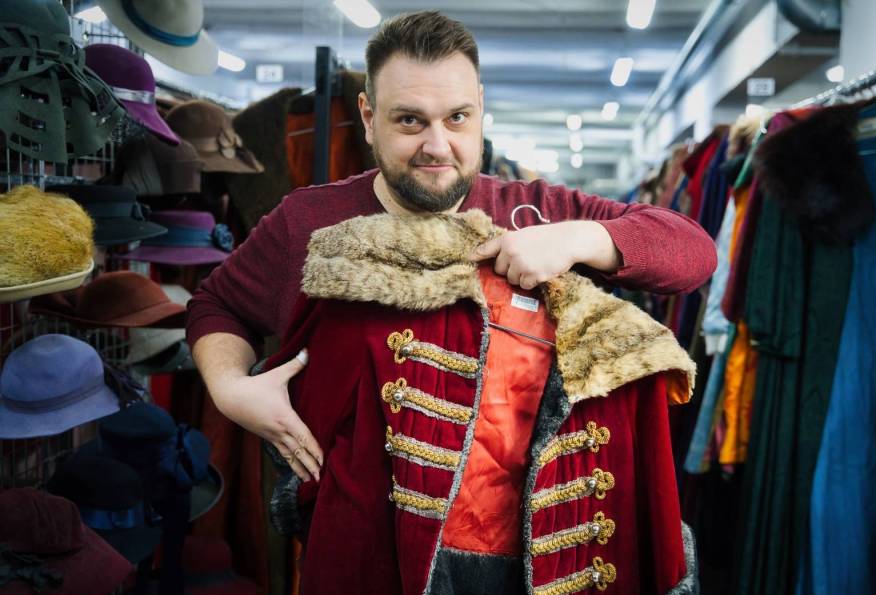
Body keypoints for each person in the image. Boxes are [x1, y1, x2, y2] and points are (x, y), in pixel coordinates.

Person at [187, 12, 716, 485]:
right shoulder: (306, 221)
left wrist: (581, 238)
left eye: (457, 118)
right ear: (369, 118)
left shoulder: (533, 210)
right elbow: (218, 305)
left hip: (509, 538)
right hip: (350, 529)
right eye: (410, 120)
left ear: (480, 108)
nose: (437, 146)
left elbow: (693, 252)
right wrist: (231, 389)